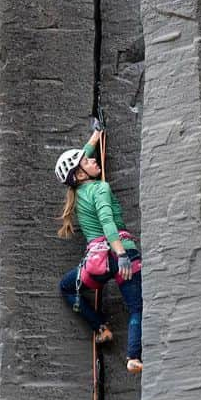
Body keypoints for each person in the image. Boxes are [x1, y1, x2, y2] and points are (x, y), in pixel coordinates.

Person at [55, 124, 143, 375]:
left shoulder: (78, 191)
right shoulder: (100, 188)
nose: (92, 159)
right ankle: (133, 357)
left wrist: (95, 136)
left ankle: (100, 327)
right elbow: (107, 223)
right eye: (87, 160)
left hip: (96, 264)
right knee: (136, 307)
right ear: (81, 173)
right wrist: (123, 254)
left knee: (66, 287)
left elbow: (80, 161)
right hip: (121, 252)